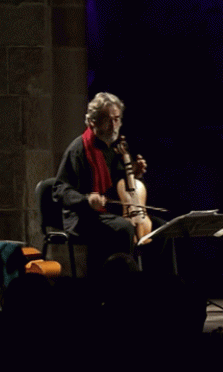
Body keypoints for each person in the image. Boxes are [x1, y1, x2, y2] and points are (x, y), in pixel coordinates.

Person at [53, 92, 168, 277]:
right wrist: (86, 199)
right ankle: (121, 291)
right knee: (124, 229)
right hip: (84, 216)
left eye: (117, 119)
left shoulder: (119, 147)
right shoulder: (79, 149)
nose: (114, 126)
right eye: (107, 120)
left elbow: (124, 187)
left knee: (162, 228)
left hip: (116, 212)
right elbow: (59, 190)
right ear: (93, 122)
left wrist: (134, 175)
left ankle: (160, 287)